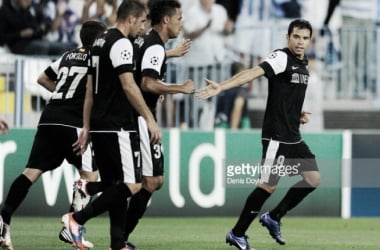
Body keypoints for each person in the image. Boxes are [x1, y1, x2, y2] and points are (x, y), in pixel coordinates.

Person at [197, 19, 321, 249]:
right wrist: (222, 87)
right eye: (296, 37)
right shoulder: (281, 57)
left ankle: (273, 217)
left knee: (313, 178)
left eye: (305, 38)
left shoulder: (303, 63)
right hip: (276, 135)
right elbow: (253, 72)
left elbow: (287, 95)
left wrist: (298, 113)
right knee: (267, 186)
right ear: (288, 37)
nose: (301, 42)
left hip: (293, 134)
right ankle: (237, 233)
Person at [61, 1, 161, 250]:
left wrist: (86, 126)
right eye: (141, 21)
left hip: (98, 123)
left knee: (117, 185)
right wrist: (149, 119)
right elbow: (129, 85)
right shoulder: (121, 43)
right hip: (118, 125)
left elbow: (89, 89)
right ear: (130, 19)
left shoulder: (97, 42)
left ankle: (118, 244)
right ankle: (76, 218)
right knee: (134, 184)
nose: (143, 27)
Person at [0, 19, 107, 250]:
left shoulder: (68, 55)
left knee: (31, 172)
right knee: (90, 176)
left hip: (49, 117)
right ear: (99, 40)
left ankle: (3, 219)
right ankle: (73, 226)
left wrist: (62, 95)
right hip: (74, 123)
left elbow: (42, 78)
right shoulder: (98, 59)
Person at [124, 1, 194, 248]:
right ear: (166, 19)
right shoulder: (153, 45)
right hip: (140, 117)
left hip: (129, 115)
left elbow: (140, 71)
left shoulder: (145, 40)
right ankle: (112, 235)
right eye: (179, 18)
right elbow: (147, 83)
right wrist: (179, 88)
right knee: (149, 181)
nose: (181, 23)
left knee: (142, 180)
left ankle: (117, 237)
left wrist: (170, 55)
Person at [0, 0, 74, 55]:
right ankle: (42, 73)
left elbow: (42, 25)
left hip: (36, 40)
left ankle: (58, 73)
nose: (29, 1)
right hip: (18, 44)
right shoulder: (5, 11)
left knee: (62, 47)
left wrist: (41, 27)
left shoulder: (32, 9)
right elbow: (2, 38)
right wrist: (20, 34)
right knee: (43, 47)